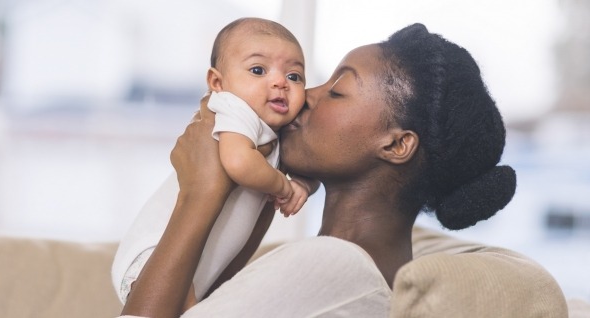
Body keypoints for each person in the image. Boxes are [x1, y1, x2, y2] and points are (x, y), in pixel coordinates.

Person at [119, 23, 517, 317]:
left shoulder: (335, 268)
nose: (303, 96)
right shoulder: (348, 271)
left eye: (337, 91)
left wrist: (200, 193)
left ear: (397, 144)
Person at [112, 17, 318, 305]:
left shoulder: (277, 129)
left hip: (200, 264)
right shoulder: (233, 108)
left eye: (294, 76)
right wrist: (285, 188)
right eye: (258, 70)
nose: (280, 82)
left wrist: (306, 185)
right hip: (153, 253)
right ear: (217, 83)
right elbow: (239, 162)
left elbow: (314, 163)